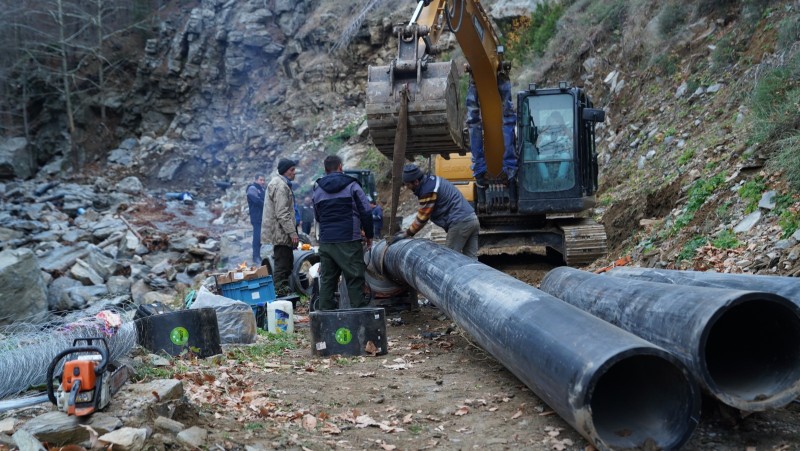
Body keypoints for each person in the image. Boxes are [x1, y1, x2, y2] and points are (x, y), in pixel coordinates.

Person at [312, 155, 374, 310]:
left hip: (327, 242)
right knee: (354, 279)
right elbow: (366, 211)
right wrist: (369, 235)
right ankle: (359, 316)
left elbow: (318, 216)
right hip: (349, 240)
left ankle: (325, 318)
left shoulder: (318, 189)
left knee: (327, 281)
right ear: (340, 166)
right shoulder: (352, 185)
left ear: (325, 169)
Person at [391, 163, 480, 259]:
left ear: (416, 182)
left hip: (460, 222)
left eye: (408, 184)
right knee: (471, 260)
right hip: (472, 219)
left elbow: (422, 217)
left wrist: (406, 234)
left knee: (450, 259)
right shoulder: (432, 181)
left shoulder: (428, 190)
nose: (407, 187)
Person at [465, 65, 518, 212]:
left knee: (474, 123)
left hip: (491, 170)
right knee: (507, 121)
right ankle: (499, 82)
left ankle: (475, 85)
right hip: (504, 170)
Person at [263, 158, 299, 295]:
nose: (294, 172)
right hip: (281, 233)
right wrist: (292, 232)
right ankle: (279, 294)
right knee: (282, 266)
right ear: (285, 171)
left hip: (280, 231)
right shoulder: (281, 186)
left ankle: (283, 292)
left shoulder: (279, 183)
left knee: (286, 263)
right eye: (292, 170)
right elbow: (282, 213)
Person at [245, 174, 266, 264]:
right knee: (257, 237)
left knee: (261, 237)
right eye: (261, 180)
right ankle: (255, 256)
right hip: (256, 216)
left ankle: (258, 255)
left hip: (263, 216)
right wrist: (267, 205)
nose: (262, 182)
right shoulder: (252, 189)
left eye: (263, 180)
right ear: (256, 180)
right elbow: (257, 201)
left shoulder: (262, 189)